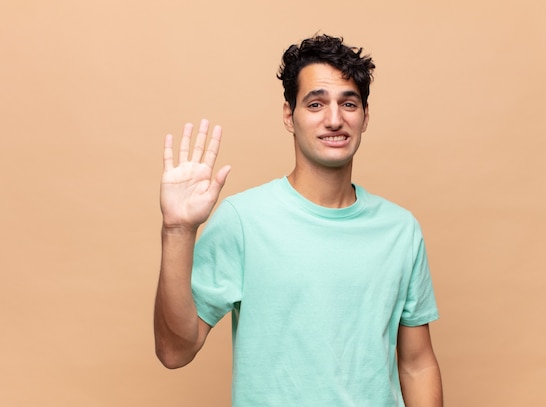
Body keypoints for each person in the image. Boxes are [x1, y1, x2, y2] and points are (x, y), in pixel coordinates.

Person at [154, 34, 443, 406]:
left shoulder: (401, 230)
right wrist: (177, 231)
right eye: (316, 103)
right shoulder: (244, 221)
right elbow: (174, 351)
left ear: (365, 117)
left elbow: (417, 364)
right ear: (290, 116)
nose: (334, 119)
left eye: (349, 103)